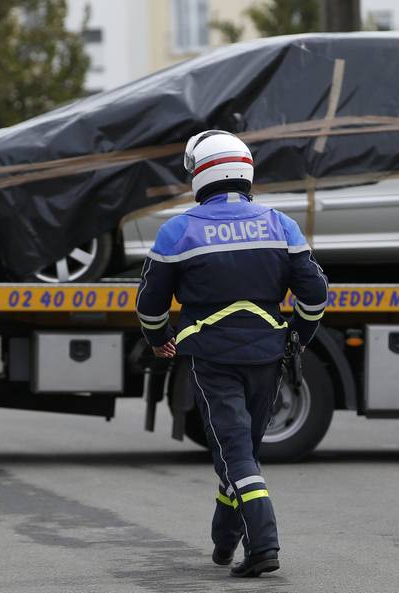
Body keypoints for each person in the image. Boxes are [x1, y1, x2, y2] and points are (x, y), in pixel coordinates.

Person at [136, 130, 328, 577]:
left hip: (212, 358)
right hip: (267, 355)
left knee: (235, 452)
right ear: (245, 172)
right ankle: (224, 542)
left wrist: (157, 336)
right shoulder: (281, 224)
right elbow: (315, 293)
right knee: (242, 451)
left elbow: (149, 304)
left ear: (200, 175)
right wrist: (299, 335)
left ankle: (263, 544)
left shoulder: (178, 230)